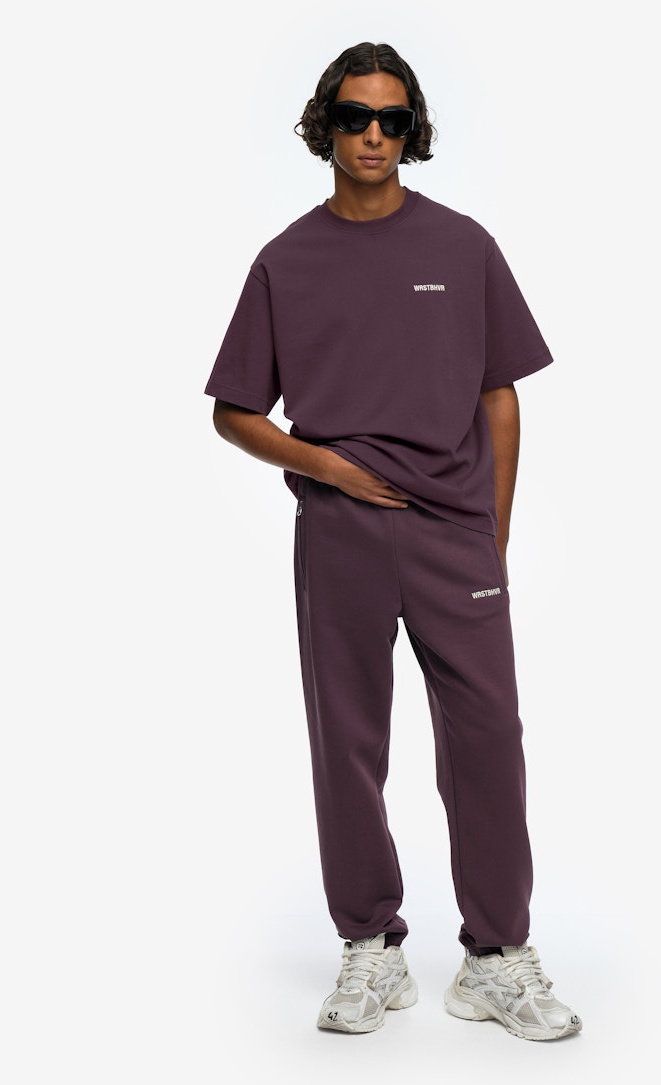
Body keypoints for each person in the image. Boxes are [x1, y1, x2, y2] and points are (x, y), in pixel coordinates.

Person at [205, 41, 581, 1041]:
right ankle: (370, 941)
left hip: (455, 531)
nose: (373, 135)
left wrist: (492, 534)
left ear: (412, 131)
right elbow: (233, 410)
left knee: (487, 738)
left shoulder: (462, 246)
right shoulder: (285, 260)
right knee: (346, 742)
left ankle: (495, 956)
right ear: (323, 125)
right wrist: (325, 467)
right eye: (354, 116)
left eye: (392, 119)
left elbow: (500, 398)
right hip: (340, 533)